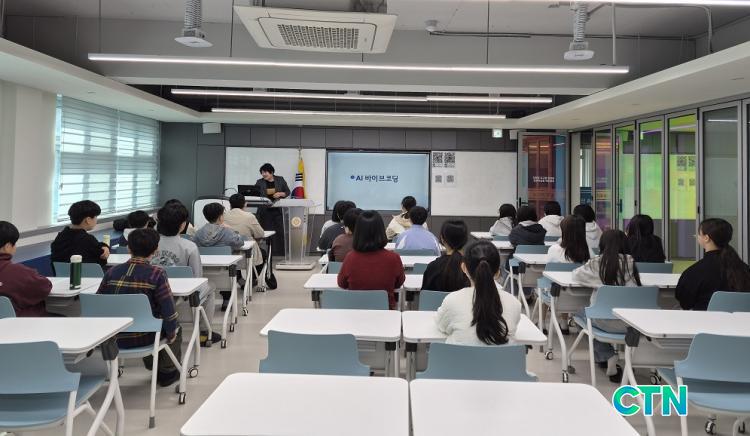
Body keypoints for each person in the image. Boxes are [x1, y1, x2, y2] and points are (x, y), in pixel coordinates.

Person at [97, 228, 181, 387]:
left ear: (128, 248)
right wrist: (171, 333)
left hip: (111, 338)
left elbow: (99, 303)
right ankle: (167, 371)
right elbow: (168, 311)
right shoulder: (157, 274)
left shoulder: (111, 272)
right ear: (156, 250)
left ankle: (154, 365)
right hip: (145, 337)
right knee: (175, 326)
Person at [572, 229, 641, 382]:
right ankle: (610, 358)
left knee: (579, 314)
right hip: (631, 324)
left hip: (602, 321)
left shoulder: (597, 263)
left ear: (603, 244)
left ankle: (607, 355)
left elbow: (576, 275)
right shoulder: (631, 264)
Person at [436, 240, 522, 346]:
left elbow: (441, 326)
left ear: (464, 268)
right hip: (502, 357)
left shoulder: (452, 300)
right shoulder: (514, 303)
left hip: (459, 357)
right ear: (497, 273)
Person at [676, 218, 750, 310]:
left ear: (706, 238)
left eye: (699, 234)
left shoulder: (694, 272)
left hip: (704, 319)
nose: (697, 236)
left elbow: (685, 303)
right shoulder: (744, 269)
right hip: (742, 318)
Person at [338, 210, 405, 310]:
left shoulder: (350, 258)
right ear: (381, 231)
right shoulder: (393, 258)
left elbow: (342, 284)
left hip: (355, 311)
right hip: (386, 312)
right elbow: (399, 283)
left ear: (358, 233)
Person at [194, 203, 245, 310]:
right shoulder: (227, 232)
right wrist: (233, 230)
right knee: (228, 267)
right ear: (221, 217)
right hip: (224, 273)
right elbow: (240, 242)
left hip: (204, 271)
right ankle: (227, 300)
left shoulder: (198, 233)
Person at [546, 215, 591, 334]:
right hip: (584, 299)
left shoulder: (554, 249)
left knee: (548, 286)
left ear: (564, 231)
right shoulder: (589, 253)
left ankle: (562, 323)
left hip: (558, 297)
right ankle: (565, 323)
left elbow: (548, 272)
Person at [0, 221, 52, 316]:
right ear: (7, 246)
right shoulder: (17, 272)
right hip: (22, 323)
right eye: (15, 244)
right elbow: (45, 287)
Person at [50, 200, 109, 274]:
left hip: (62, 278)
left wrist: (103, 246)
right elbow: (103, 258)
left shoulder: (60, 237)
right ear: (88, 220)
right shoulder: (88, 239)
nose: (96, 220)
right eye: (96, 217)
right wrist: (106, 247)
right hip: (88, 278)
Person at [224, 193, 266, 283]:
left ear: (230, 204)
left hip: (227, 252)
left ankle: (239, 279)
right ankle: (251, 280)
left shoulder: (223, 216)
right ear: (245, 204)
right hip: (246, 253)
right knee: (263, 253)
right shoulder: (249, 216)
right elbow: (260, 234)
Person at [421, 220, 471, 293]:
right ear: (465, 240)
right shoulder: (472, 268)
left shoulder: (433, 267)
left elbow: (424, 295)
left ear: (442, 239)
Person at [254, 163, 290, 257]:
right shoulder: (259, 182)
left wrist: (281, 194)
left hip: (278, 210)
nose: (263, 174)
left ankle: (282, 253)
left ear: (272, 172)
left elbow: (287, 192)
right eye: (262, 173)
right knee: (267, 232)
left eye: (265, 172)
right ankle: (270, 253)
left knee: (280, 232)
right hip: (265, 211)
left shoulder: (280, 179)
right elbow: (255, 194)